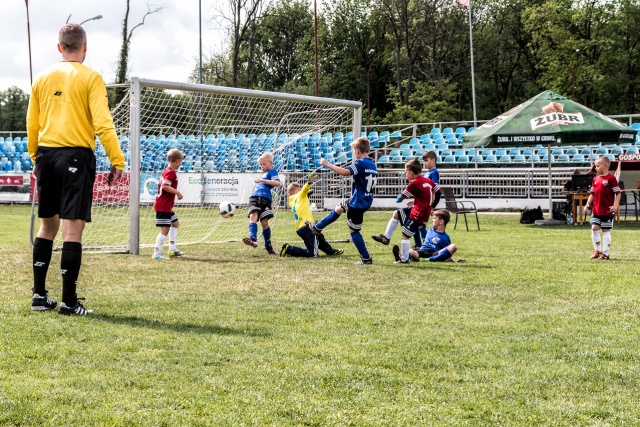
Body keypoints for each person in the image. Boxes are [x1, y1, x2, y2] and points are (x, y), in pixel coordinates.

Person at [27, 24, 125, 316]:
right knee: (72, 229)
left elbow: (32, 122)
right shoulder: (91, 77)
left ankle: (39, 295)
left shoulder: (42, 76)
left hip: (45, 155)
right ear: (85, 47)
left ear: (59, 47)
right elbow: (103, 122)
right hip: (75, 157)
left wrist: (35, 156)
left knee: (47, 226)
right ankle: (69, 302)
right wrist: (117, 160)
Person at [306, 137, 378, 264]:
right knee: (340, 207)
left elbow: (346, 172)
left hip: (358, 203)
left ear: (356, 150)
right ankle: (317, 228)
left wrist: (328, 164)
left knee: (354, 231)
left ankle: (366, 258)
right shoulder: (372, 164)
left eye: (353, 150)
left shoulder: (360, 163)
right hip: (365, 199)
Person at [371, 158, 436, 263]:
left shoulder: (414, 183)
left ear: (410, 172)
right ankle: (386, 237)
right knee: (396, 213)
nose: (406, 174)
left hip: (418, 213)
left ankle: (404, 259)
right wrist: (424, 202)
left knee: (406, 235)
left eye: (406, 172)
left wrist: (400, 197)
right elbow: (436, 190)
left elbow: (400, 198)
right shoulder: (427, 181)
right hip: (421, 209)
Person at [280, 172, 344, 258]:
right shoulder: (300, 195)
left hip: (300, 228)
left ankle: (330, 251)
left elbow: (302, 195)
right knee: (313, 254)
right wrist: (309, 183)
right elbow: (304, 191)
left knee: (319, 235)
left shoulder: (291, 200)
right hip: (306, 226)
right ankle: (290, 249)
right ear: (298, 190)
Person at [242, 152, 281, 254]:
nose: (262, 166)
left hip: (265, 198)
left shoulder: (272, 172)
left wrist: (263, 181)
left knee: (264, 222)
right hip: (254, 196)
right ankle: (253, 239)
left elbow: (277, 183)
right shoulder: (263, 175)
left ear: (270, 163)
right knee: (253, 216)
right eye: (261, 165)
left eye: (264, 164)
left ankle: (268, 246)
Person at [584, 156, 621, 260]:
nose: (595, 168)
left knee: (605, 230)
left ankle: (605, 253)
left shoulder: (611, 179)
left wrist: (615, 206)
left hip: (607, 211)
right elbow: (592, 193)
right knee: (594, 228)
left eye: (597, 166)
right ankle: (597, 251)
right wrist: (587, 204)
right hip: (596, 210)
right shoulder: (595, 179)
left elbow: (618, 193)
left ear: (605, 166)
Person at [152, 149, 184, 260]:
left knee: (175, 223)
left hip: (165, 205)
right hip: (164, 206)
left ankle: (172, 249)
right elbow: (165, 186)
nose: (181, 164)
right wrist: (178, 192)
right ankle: (157, 253)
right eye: (181, 162)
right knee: (165, 228)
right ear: (178, 161)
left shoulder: (167, 170)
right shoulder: (171, 172)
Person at [399, 209, 464, 263]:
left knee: (453, 247)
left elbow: (447, 253)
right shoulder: (430, 230)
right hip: (421, 252)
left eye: (434, 218)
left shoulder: (445, 237)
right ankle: (402, 257)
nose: (432, 220)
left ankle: (429, 260)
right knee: (410, 251)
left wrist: (454, 261)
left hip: (434, 254)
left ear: (441, 221)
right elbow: (419, 231)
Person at [414, 150, 441, 248]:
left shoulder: (434, 173)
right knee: (416, 224)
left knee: (419, 224)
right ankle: (419, 245)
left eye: (426, 160)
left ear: (433, 160)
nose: (425, 163)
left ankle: (426, 245)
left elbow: (436, 190)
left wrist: (432, 205)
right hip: (421, 202)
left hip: (426, 203)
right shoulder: (428, 173)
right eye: (424, 161)